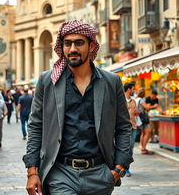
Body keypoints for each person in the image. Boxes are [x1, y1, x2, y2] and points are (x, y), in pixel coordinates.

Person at [23, 20, 133, 195]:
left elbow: (123, 127)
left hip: (100, 175)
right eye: (67, 43)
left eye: (79, 43)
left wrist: (118, 169)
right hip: (60, 173)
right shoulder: (48, 81)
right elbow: (36, 126)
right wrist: (32, 171)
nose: (72, 49)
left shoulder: (111, 82)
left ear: (91, 46)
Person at [124, 83, 140, 177]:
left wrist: (137, 112)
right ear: (128, 89)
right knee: (124, 147)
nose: (133, 90)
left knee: (130, 147)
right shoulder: (120, 100)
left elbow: (136, 111)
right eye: (132, 89)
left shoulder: (133, 101)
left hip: (133, 126)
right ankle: (122, 168)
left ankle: (127, 168)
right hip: (123, 128)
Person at [136, 88, 155, 155]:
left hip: (140, 119)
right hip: (143, 119)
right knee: (148, 132)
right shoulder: (141, 100)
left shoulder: (136, 99)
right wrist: (153, 106)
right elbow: (146, 107)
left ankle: (142, 147)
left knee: (143, 133)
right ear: (143, 94)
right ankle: (143, 149)